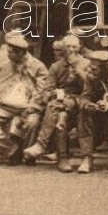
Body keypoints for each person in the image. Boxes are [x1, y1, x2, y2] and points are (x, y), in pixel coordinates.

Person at [0, 34, 49, 165]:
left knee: (32, 123)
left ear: (21, 53)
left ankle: (28, 154)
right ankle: (12, 150)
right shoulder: (5, 66)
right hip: (5, 106)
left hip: (29, 106)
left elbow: (43, 90)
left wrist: (34, 106)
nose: (8, 55)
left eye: (11, 53)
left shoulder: (37, 66)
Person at [22, 34, 86, 171]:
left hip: (81, 100)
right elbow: (47, 88)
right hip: (62, 102)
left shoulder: (87, 64)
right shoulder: (56, 66)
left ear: (79, 47)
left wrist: (78, 70)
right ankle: (63, 159)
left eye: (74, 46)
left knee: (54, 106)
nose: (71, 50)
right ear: (63, 48)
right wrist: (52, 93)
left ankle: (41, 144)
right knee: (60, 115)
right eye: (68, 46)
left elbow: (90, 87)